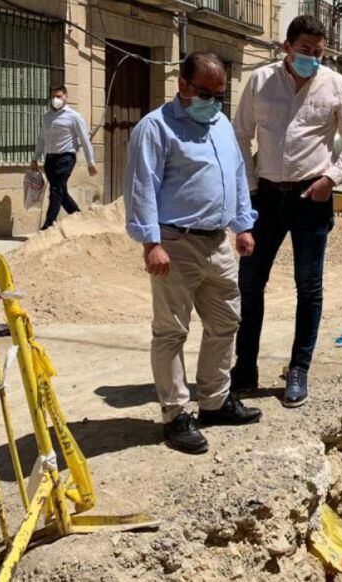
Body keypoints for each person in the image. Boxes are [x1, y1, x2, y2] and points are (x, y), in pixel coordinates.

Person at [123, 53, 263, 455]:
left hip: (218, 242)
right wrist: (151, 243)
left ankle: (216, 400)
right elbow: (141, 188)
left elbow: (236, 175)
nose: (214, 102)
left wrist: (243, 224)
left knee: (225, 322)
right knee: (171, 331)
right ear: (182, 84)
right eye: (206, 93)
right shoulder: (155, 128)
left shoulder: (220, 125)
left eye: (221, 94)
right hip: (175, 243)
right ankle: (175, 413)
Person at [232, 15, 342, 409]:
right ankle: (245, 369)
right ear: (287, 46)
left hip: (313, 196)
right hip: (267, 197)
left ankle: (298, 370)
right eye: (305, 50)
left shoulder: (336, 85)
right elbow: (241, 134)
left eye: (319, 52)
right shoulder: (260, 81)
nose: (312, 58)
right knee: (250, 284)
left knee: (308, 287)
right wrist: (250, 189)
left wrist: (333, 177)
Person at [32, 85, 97, 230]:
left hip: (66, 157)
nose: (56, 99)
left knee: (55, 190)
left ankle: (48, 225)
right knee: (61, 191)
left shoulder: (74, 117)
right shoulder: (47, 117)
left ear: (66, 97)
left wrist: (90, 162)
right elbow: (41, 138)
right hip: (50, 159)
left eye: (59, 96)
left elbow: (85, 140)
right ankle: (79, 218)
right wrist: (35, 158)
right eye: (53, 96)